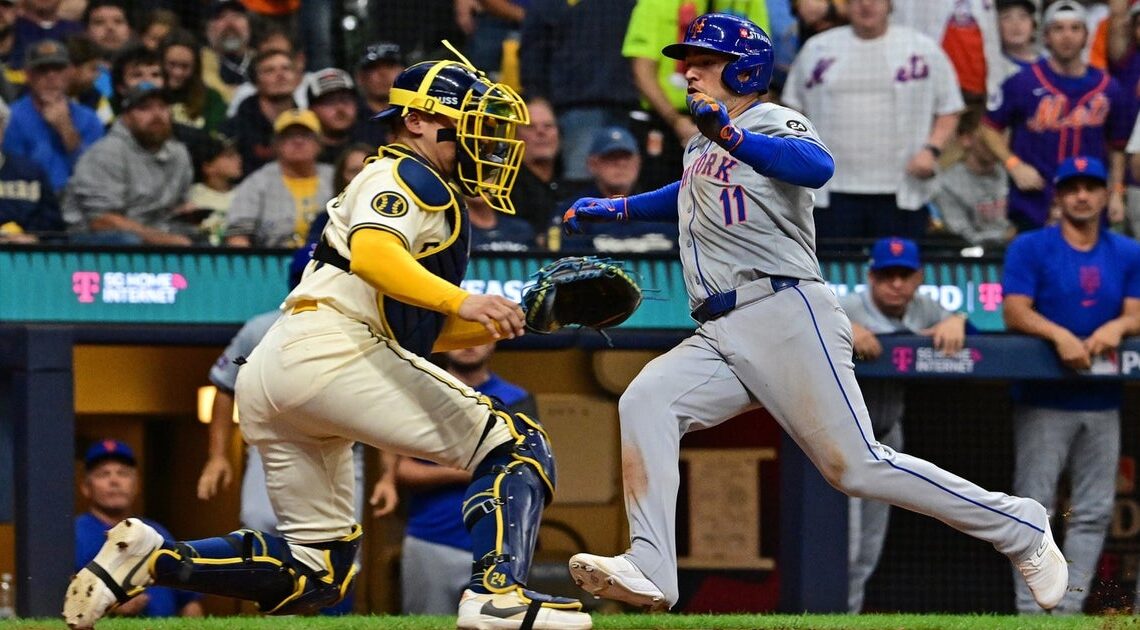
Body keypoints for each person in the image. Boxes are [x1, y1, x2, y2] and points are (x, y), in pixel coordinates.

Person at [561, 12, 1067, 615]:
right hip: (722, 325)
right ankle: (652, 566)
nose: (686, 70)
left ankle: (1021, 526)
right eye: (686, 59)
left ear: (745, 69)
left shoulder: (771, 120)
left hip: (783, 309)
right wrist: (620, 210)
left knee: (857, 469)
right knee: (646, 401)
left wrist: (732, 136)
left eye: (702, 60)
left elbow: (816, 168)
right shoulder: (705, 139)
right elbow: (689, 191)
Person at [63, 55, 592, 630]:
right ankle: (498, 593)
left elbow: (410, 328)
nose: (479, 138)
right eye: (467, 121)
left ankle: (159, 559)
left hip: (287, 366)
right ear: (416, 121)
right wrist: (463, 300)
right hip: (332, 349)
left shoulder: (419, 186)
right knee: (517, 444)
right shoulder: (404, 174)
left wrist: (518, 319)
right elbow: (373, 251)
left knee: (319, 573)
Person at [1001, 155, 1140, 614]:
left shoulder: (1127, 250)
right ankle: (1031, 611)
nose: (1082, 195)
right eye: (1072, 188)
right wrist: (1059, 334)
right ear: (1058, 197)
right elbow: (1015, 311)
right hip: (1044, 398)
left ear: (1105, 195)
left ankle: (1067, 611)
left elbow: (1136, 311)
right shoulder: (1030, 246)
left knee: (1094, 511)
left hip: (1102, 400)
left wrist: (1118, 327)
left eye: (1091, 187)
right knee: (1033, 510)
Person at [840, 237, 969, 613]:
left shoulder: (923, 308)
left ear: (919, 278)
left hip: (887, 435)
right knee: (842, 551)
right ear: (871, 277)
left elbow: (973, 332)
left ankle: (847, 620)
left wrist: (958, 320)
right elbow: (796, 325)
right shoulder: (845, 306)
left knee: (867, 550)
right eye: (886, 275)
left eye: (904, 275)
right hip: (842, 439)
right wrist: (845, 327)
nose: (896, 283)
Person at [783, 0, 963, 245]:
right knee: (835, 273)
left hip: (901, 188)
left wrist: (932, 150)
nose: (866, 5)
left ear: (890, 5)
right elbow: (792, 108)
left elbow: (950, 108)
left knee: (898, 275)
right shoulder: (818, 49)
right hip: (830, 189)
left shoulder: (922, 49)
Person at [398, 342, 539, 614]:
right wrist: (466, 472)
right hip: (431, 540)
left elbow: (528, 472)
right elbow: (403, 470)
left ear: (496, 341)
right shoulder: (422, 396)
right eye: (460, 334)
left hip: (502, 546)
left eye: (479, 335)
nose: (469, 343)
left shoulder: (517, 399)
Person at [981, 0, 1131, 232]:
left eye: (1074, 28)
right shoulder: (1023, 82)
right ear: (1046, 36)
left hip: (1088, 200)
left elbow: (1117, 147)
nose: (1067, 36)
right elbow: (988, 127)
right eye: (1058, 29)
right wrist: (1013, 164)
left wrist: (1117, 193)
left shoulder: (1108, 88)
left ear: (1085, 35)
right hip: (1034, 200)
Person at [75, 439, 204, 620]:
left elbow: (190, 601)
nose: (114, 481)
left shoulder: (158, 532)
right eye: (103, 474)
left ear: (137, 485)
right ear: (86, 487)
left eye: (123, 473)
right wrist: (110, 606)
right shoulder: (72, 535)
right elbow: (59, 599)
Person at [63, 82, 195, 246]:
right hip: (93, 243)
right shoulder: (106, 153)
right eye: (144, 108)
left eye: (162, 107)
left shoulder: (178, 153)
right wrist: (164, 240)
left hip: (158, 234)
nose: (156, 115)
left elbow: (180, 207)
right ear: (125, 117)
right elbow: (101, 221)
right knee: (127, 241)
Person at [1, 38, 103, 194]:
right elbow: (13, 174)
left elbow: (96, 174)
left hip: (79, 203)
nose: (51, 76)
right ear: (28, 74)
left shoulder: (90, 119)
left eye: (58, 69)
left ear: (69, 72)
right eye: (42, 69)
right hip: (29, 202)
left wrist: (66, 127)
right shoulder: (10, 118)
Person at [557, 125, 677, 254]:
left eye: (626, 157)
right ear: (592, 164)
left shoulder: (658, 206)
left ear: (638, 163)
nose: (620, 164)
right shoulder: (575, 210)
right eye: (611, 157)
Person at [224, 108, 333, 248]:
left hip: (329, 263)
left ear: (319, 143)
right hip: (273, 261)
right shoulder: (257, 182)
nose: (298, 141)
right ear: (276, 144)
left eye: (306, 135)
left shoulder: (334, 178)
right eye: (289, 136)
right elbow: (237, 238)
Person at [931, 111, 1015, 249]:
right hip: (976, 261)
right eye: (988, 137)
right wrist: (1005, 236)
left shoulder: (1013, 176)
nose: (996, 143)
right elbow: (961, 236)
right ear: (966, 139)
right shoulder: (947, 184)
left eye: (1001, 134)